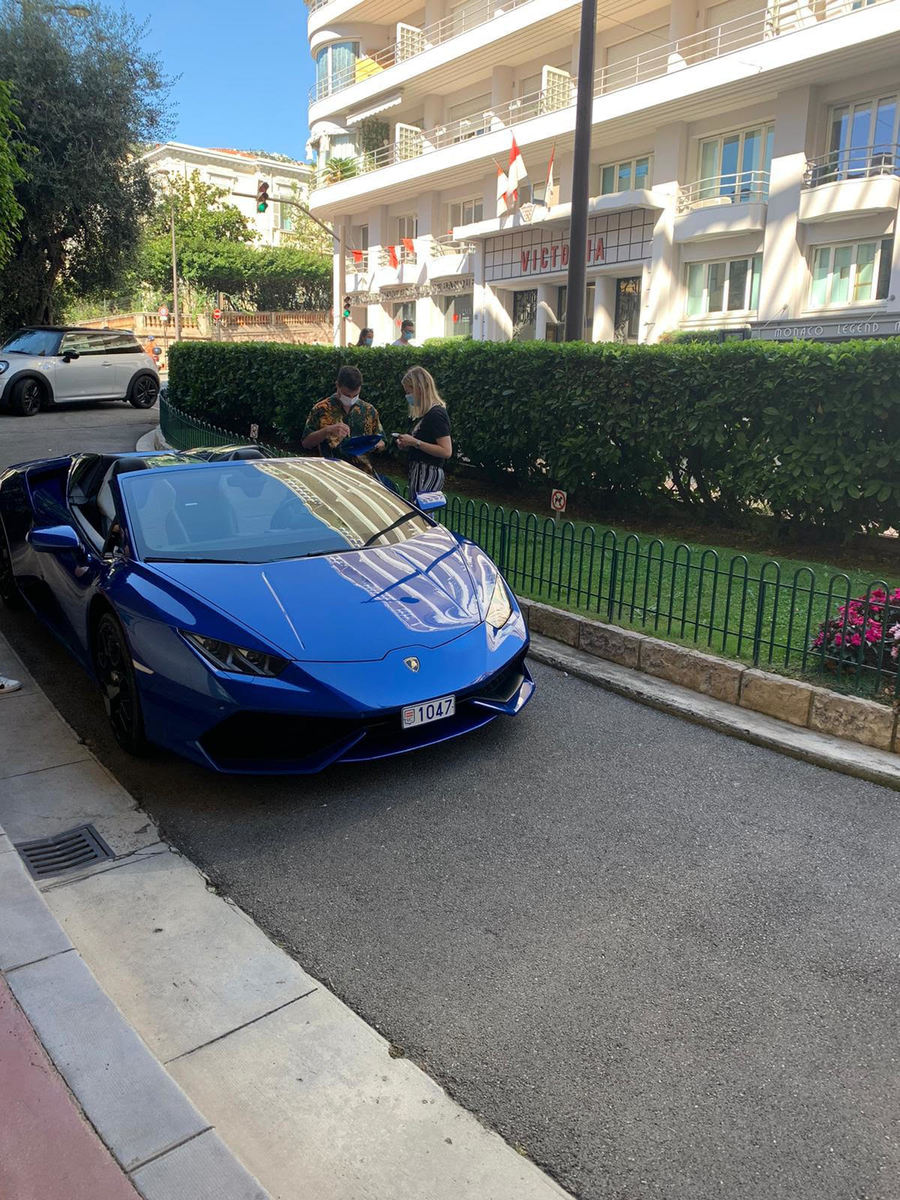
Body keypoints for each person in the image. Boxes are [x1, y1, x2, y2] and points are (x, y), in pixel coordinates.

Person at [301, 365, 384, 465]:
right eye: (347, 395)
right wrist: (327, 431)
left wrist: (377, 445)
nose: (351, 398)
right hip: (332, 471)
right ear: (337, 385)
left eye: (355, 395)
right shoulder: (321, 409)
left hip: (362, 473)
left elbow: (382, 441)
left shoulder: (369, 411)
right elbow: (306, 443)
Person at [395, 365, 452, 500]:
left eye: (409, 392)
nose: (407, 396)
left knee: (420, 515)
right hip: (419, 472)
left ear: (420, 389)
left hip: (427, 473)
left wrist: (415, 442)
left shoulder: (436, 414)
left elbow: (446, 451)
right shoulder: (425, 414)